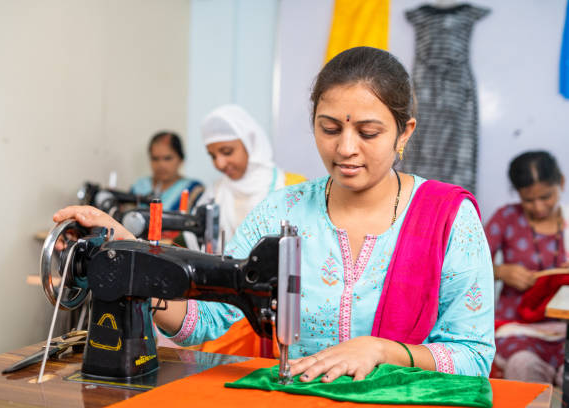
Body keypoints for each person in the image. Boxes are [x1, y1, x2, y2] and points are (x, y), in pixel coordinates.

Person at [53, 46, 495, 380]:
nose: (345, 148)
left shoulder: (448, 219)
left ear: (404, 133)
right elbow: (207, 319)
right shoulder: (282, 209)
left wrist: (383, 350)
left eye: (368, 132)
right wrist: (129, 256)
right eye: (329, 129)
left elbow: (474, 356)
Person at [485, 151, 568, 384]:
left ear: (560, 183)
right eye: (529, 200)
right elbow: (469, 263)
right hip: (518, 327)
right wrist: (500, 271)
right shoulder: (506, 218)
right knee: (523, 364)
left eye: (546, 196)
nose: (539, 206)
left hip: (564, 326)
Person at [199, 104, 306, 241]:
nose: (219, 164)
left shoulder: (294, 187)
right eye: (212, 156)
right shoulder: (216, 192)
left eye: (227, 152)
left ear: (251, 143)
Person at [131, 131, 204, 212]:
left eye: (167, 158)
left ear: (181, 159)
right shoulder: (139, 187)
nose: (161, 165)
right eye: (155, 158)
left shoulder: (193, 190)